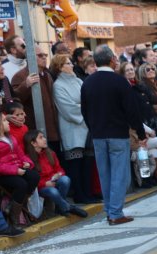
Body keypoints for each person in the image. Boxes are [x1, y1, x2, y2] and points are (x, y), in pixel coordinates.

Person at [80, 45, 146, 226]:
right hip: (117, 133)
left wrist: (93, 128)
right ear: (111, 60)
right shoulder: (120, 82)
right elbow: (132, 111)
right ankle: (116, 213)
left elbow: (84, 111)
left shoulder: (87, 82)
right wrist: (140, 133)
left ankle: (110, 210)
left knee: (105, 174)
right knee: (119, 174)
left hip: (98, 134)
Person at [52, 54, 97, 204]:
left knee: (87, 164)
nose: (71, 65)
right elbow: (68, 109)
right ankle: (79, 194)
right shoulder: (58, 86)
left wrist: (85, 108)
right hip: (72, 129)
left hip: (86, 127)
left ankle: (88, 192)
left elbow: (90, 100)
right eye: (67, 63)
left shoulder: (78, 80)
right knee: (75, 165)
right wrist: (86, 109)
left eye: (70, 63)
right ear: (59, 67)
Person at [11, 45, 61, 159]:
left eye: (45, 55)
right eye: (40, 55)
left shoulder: (47, 75)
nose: (44, 58)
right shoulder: (20, 76)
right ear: (30, 58)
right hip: (35, 133)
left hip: (53, 131)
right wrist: (26, 85)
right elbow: (15, 101)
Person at [23, 130, 87, 218]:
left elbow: (60, 169)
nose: (45, 139)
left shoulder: (50, 153)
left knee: (66, 179)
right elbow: (32, 180)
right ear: (33, 143)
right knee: (53, 191)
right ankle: (68, 207)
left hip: (53, 180)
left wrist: (58, 175)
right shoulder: (28, 159)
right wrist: (45, 183)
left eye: (44, 137)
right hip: (42, 186)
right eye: (41, 138)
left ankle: (60, 207)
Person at [0, 113, 39, 226]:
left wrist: (27, 162)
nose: (8, 122)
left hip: (17, 168)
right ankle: (14, 216)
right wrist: (15, 170)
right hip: (3, 174)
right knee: (21, 184)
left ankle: (16, 204)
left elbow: (20, 154)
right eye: (5, 121)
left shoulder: (10, 137)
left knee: (34, 176)